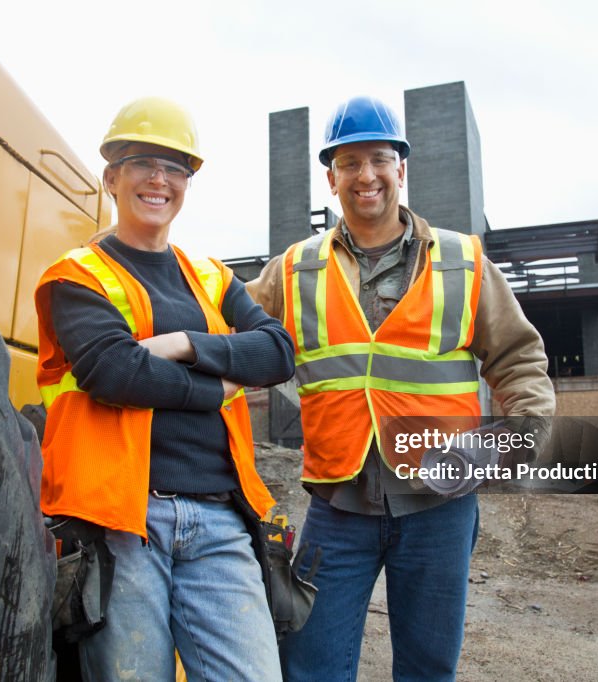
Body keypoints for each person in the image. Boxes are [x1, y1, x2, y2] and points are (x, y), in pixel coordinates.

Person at [247, 95, 556, 681]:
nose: (366, 176)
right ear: (331, 178)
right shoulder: (294, 268)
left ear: (402, 169)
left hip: (440, 507)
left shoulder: (462, 261)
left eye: (379, 159)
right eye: (349, 163)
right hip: (337, 506)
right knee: (309, 665)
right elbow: (227, 327)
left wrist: (513, 442)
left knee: (427, 669)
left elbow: (518, 360)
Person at [34, 96, 292, 681]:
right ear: (111, 176)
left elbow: (277, 352)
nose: (159, 178)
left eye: (176, 167)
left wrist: (181, 342)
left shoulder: (211, 276)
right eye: (142, 162)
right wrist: (218, 388)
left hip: (221, 518)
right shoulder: (77, 275)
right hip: (122, 525)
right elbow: (113, 371)